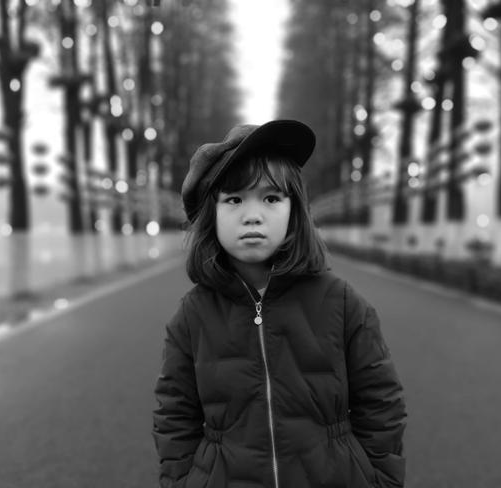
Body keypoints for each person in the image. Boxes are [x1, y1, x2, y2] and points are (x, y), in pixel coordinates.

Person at [152, 120, 406, 488]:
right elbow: (174, 415)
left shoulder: (343, 302)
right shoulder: (192, 316)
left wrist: (379, 480)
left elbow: (382, 403)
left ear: (294, 210)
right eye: (234, 199)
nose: (252, 215)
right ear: (211, 215)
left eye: (271, 198)